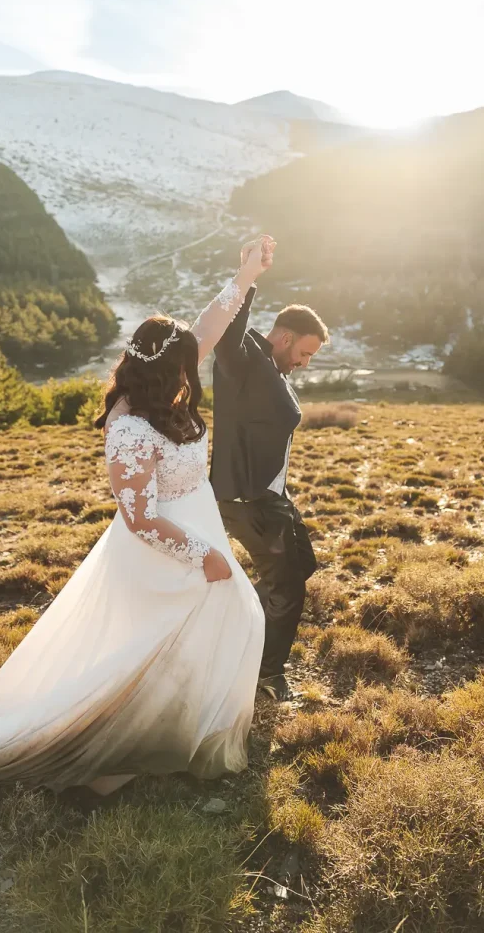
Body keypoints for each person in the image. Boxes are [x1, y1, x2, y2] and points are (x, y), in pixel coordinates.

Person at [0, 236, 275, 797]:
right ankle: (123, 745)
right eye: (186, 366)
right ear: (166, 371)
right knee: (180, 636)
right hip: (164, 546)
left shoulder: (164, 386)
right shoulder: (129, 427)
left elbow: (207, 327)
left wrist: (246, 273)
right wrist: (204, 556)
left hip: (197, 523)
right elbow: (140, 518)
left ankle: (170, 728)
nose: (194, 371)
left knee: (208, 631)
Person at [211, 277, 329, 702]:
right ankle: (264, 674)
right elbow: (226, 336)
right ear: (283, 337)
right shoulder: (245, 362)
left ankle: (236, 623)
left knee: (302, 566)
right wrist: (248, 277)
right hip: (248, 500)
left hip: (273, 497)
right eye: (304, 353)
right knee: (287, 586)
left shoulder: (273, 368)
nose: (305, 362)